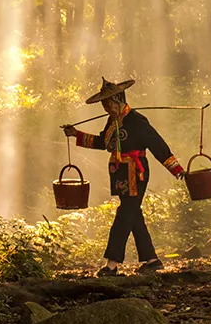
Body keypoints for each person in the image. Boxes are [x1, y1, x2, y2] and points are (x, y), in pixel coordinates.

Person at [63, 78, 184, 276]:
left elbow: (158, 145)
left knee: (124, 215)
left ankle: (112, 264)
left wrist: (176, 169)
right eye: (103, 104)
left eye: (108, 103)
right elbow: (104, 143)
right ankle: (152, 260)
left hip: (136, 173)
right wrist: (76, 134)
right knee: (134, 215)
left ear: (119, 100)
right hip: (120, 173)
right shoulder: (113, 121)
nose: (105, 107)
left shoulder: (137, 121)